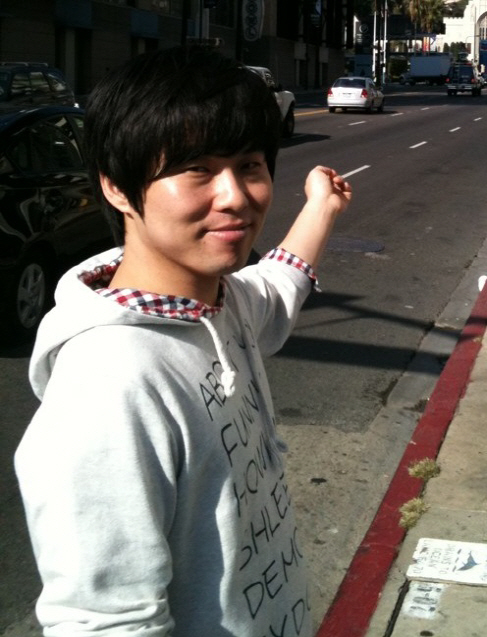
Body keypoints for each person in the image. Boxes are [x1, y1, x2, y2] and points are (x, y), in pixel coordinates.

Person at [15, 46, 352, 637]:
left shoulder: (221, 304)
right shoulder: (109, 385)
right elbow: (105, 621)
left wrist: (321, 207)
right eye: (197, 168)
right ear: (117, 188)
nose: (236, 196)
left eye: (249, 165)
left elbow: (279, 284)